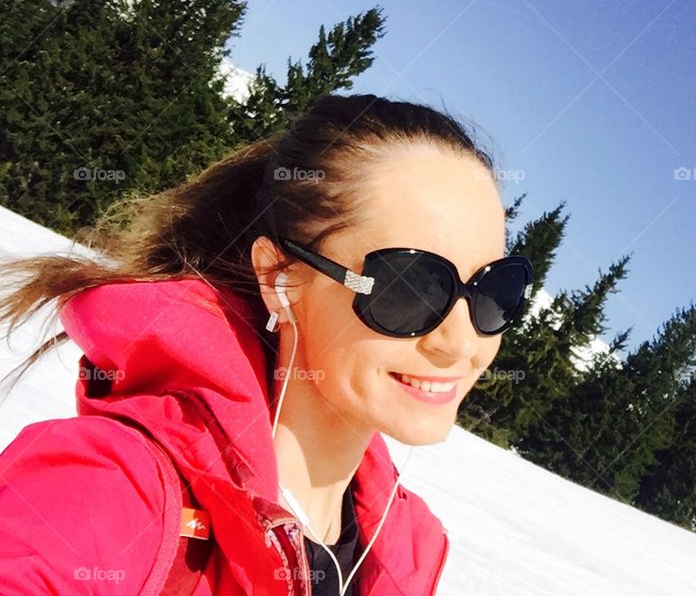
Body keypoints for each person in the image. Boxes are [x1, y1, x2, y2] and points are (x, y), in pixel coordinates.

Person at [0, 94, 534, 595]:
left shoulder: (407, 552)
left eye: (495, 289)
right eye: (409, 285)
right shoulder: (108, 493)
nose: (461, 341)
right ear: (280, 277)